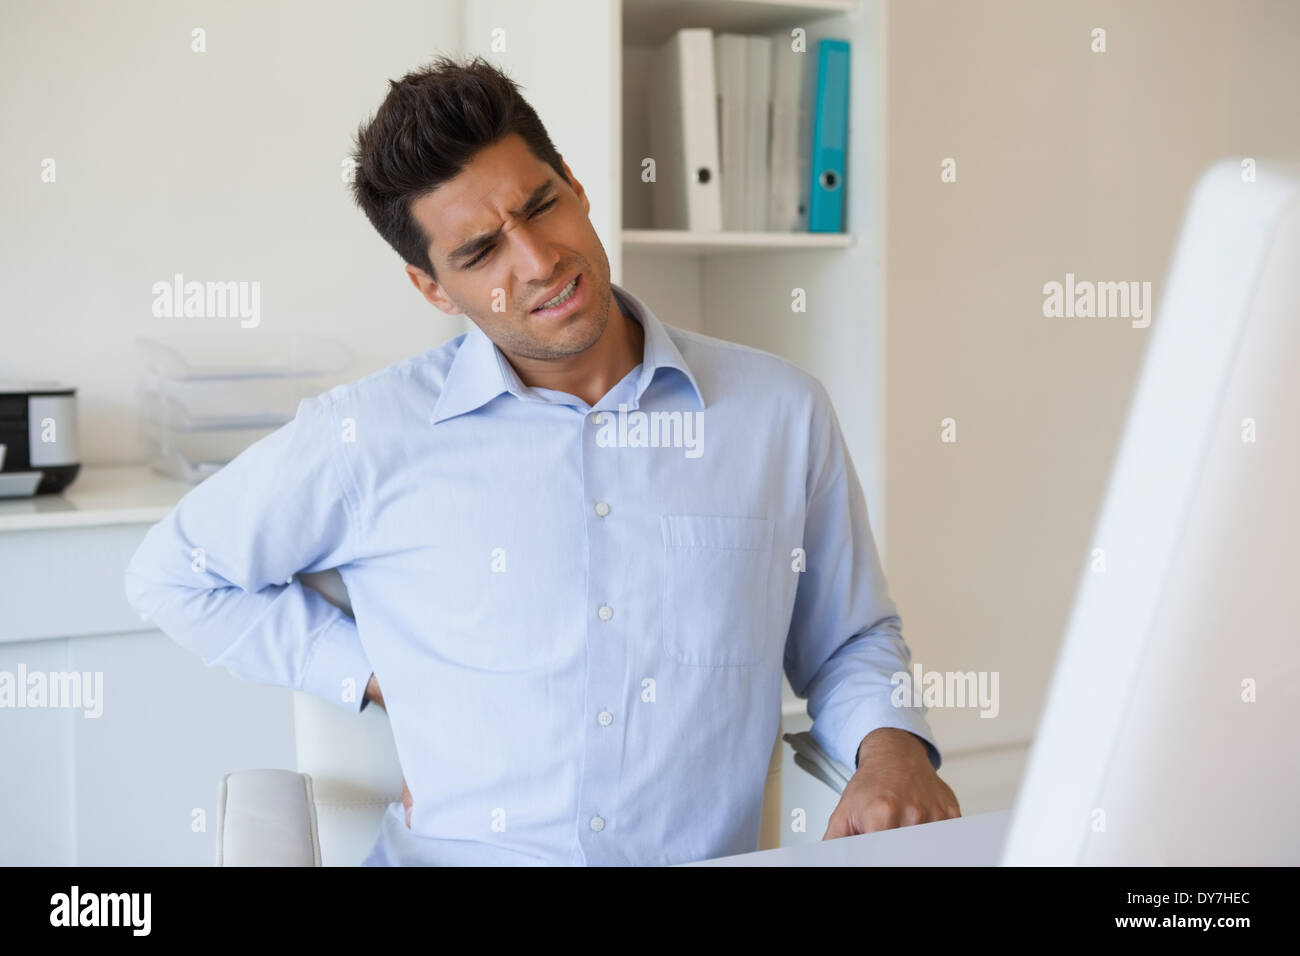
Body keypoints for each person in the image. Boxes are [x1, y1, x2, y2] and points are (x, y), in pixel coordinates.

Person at [123, 54, 959, 866]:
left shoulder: (779, 414)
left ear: (576, 185)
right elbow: (173, 575)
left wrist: (893, 751)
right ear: (431, 286)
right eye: (481, 253)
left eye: (542, 206)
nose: (539, 261)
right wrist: (379, 673)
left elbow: (848, 638)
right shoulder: (365, 436)